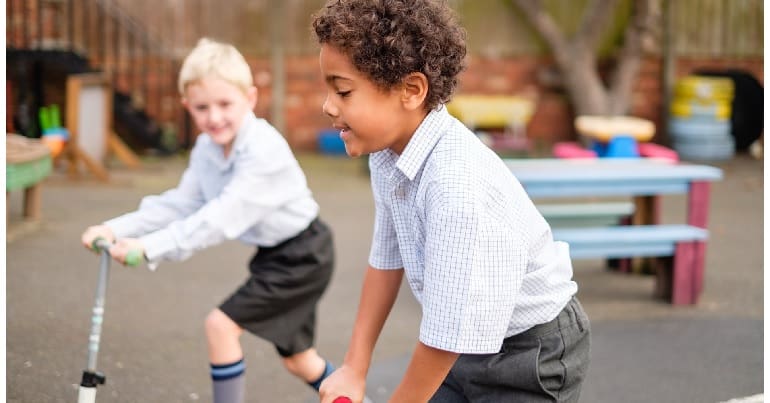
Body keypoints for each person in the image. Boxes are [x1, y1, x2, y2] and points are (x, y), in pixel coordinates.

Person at [311, 1, 590, 402]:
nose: (328, 105)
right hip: (462, 343)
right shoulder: (386, 155)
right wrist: (355, 367)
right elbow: (386, 259)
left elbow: (447, 334)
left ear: (411, 90)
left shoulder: (455, 184)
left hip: (532, 353)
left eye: (343, 90)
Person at [81, 38, 337, 403]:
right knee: (300, 362)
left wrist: (148, 247)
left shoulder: (263, 151)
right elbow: (180, 204)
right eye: (202, 107)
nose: (213, 117)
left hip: (304, 255)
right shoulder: (207, 148)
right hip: (275, 255)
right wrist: (116, 228)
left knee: (220, 326)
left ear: (249, 99)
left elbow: (217, 220)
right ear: (187, 107)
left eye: (224, 104)